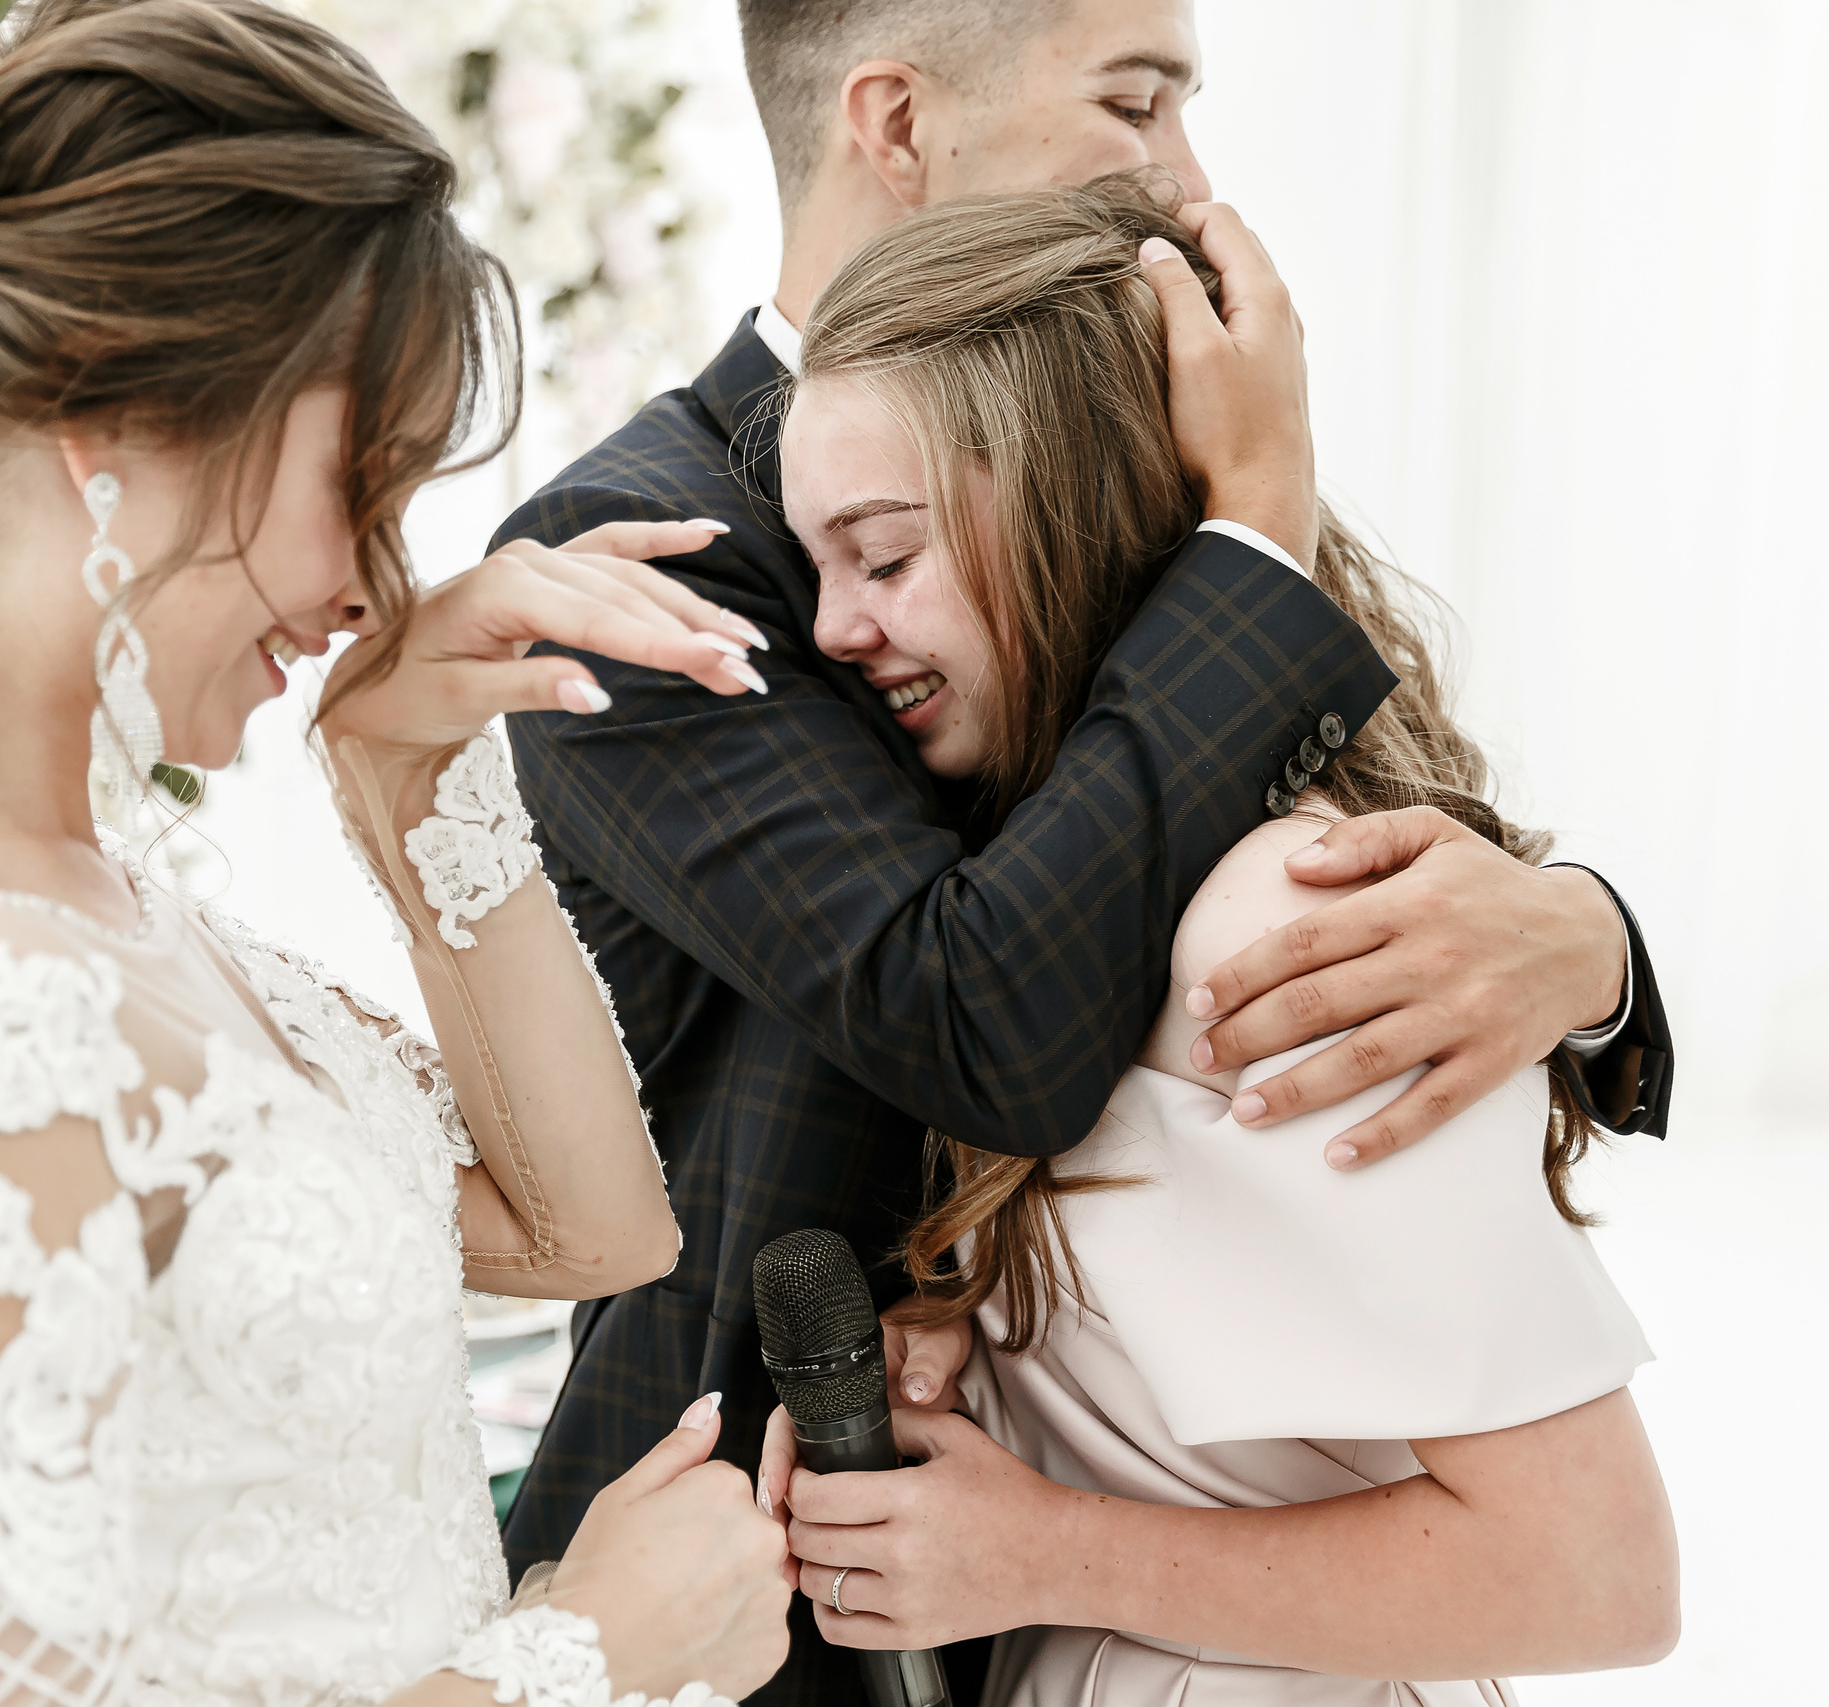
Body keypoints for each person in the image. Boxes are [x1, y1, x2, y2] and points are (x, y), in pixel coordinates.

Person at [0, 2, 792, 1703]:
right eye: (361, 485)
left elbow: (588, 1230)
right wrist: (584, 1661)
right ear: (121, 403)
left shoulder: (81, 901)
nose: (379, 589)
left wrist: (410, 775)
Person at [489, 4, 1671, 1699]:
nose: (1188, 178)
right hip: (755, 1599)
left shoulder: (1107, 560)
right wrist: (1253, 528)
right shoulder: (649, 556)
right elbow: (978, 1007)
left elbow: (1255, 889)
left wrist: (1587, 945)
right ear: (896, 121)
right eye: (1138, 102)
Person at [763, 177, 1680, 1706]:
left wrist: (1049, 1548)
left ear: (1066, 511)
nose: (832, 630)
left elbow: (1597, 1573)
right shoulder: (1071, 901)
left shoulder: (1286, 924)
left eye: (883, 552)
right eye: (816, 569)